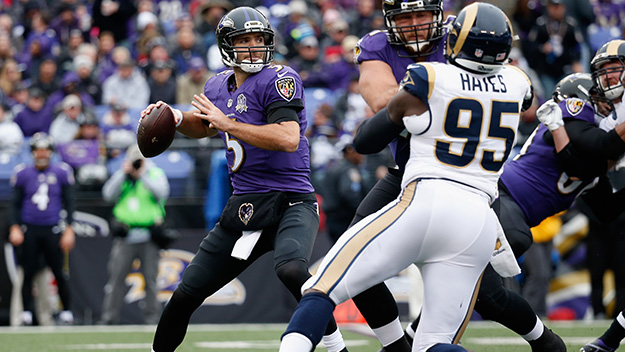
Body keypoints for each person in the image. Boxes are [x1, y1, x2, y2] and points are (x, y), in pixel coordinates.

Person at [278, 3, 531, 352]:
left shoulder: (428, 79)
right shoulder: (518, 83)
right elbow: (521, 96)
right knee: (433, 343)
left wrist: (413, 102)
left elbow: (367, 138)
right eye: (405, 18)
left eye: (422, 16)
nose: (414, 25)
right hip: (477, 207)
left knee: (323, 286)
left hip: (425, 192)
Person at [141, 7, 348, 352]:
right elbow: (206, 125)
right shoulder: (217, 86)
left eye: (258, 39)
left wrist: (229, 124)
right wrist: (175, 117)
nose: (252, 46)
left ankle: (335, 344)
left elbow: (287, 137)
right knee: (184, 294)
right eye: (243, 40)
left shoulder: (280, 79)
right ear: (226, 46)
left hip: (290, 201)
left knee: (292, 270)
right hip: (245, 206)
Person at [579, 39, 625, 352]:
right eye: (603, 71)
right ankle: (609, 341)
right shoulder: (609, 118)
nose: (608, 77)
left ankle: (608, 342)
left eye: (614, 69)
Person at [8, 132, 76, 326]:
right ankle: (27, 312)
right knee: (28, 271)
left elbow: (70, 202)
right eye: (39, 150)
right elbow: (15, 203)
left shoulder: (61, 172)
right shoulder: (22, 173)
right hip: (30, 227)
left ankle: (67, 311)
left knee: (58, 271)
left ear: (51, 151)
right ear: (33, 152)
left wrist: (69, 228)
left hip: (53, 227)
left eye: (45, 149)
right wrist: (15, 226)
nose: (42, 154)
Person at [99, 144, 169, 325]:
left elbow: (162, 193)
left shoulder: (154, 173)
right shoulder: (123, 175)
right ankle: (109, 318)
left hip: (149, 235)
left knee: (151, 281)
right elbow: (107, 194)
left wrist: (142, 174)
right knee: (116, 280)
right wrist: (124, 174)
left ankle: (152, 318)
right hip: (125, 234)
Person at [321, 137, 371, 243]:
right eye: (358, 153)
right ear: (350, 153)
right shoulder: (348, 170)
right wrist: (361, 211)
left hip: (333, 219)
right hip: (344, 220)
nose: (361, 157)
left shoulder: (334, 168)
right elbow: (349, 193)